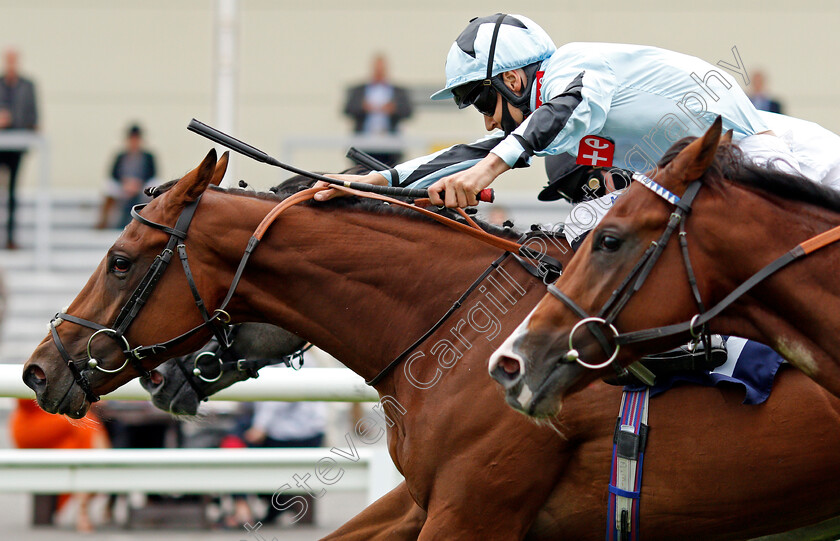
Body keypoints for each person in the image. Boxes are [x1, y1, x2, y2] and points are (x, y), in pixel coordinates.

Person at [317, 13, 840, 207]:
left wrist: (485, 172)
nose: (488, 119)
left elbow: (564, 111)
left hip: (776, 156)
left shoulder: (573, 65)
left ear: (515, 78)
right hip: (726, 176)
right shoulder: (546, 117)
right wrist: (377, 181)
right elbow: (473, 151)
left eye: (482, 99)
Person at [10, 399, 110, 532]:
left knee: (76, 446)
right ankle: (85, 505)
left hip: (53, 423)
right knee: (87, 424)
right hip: (33, 424)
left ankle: (84, 506)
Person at [343, 54, 413, 166]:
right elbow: (347, 110)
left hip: (390, 146)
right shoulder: (358, 90)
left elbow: (409, 112)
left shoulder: (398, 91)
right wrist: (363, 107)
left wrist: (393, 109)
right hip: (363, 144)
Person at [0, 48, 38, 249]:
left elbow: (33, 115)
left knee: (13, 194)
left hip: (16, 148)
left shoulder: (27, 86)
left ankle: (10, 238)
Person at [96, 124, 157, 229]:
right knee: (107, 187)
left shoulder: (148, 156)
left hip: (142, 187)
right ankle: (103, 222)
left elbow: (152, 173)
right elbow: (113, 173)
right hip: (123, 186)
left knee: (156, 186)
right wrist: (125, 184)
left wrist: (137, 184)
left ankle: (154, 221)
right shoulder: (121, 156)